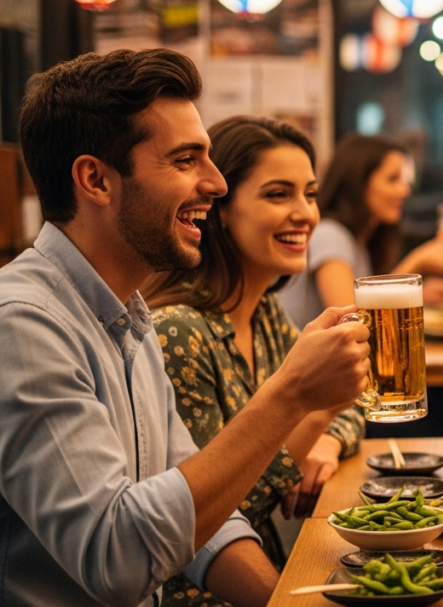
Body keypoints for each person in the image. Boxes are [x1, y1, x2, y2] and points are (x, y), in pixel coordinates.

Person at [0, 48, 370, 606]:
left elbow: (201, 526)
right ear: (95, 179)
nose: (216, 184)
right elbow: (117, 558)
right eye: (185, 160)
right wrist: (291, 395)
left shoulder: (129, 318)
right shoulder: (23, 327)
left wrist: (287, 602)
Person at [141, 116, 366, 606]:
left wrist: (326, 438)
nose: (306, 214)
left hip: (280, 566)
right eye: (278, 194)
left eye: (309, 193)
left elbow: (353, 406)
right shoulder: (179, 332)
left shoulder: (264, 314)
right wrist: (319, 409)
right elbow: (212, 514)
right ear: (220, 209)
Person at [278, 134, 443, 327]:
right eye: (393, 179)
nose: (404, 190)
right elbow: (355, 322)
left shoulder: (360, 241)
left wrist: (421, 296)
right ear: (358, 182)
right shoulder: (330, 234)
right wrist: (416, 263)